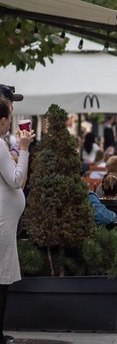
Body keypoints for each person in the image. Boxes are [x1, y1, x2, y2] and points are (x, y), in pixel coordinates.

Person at [0, 99, 32, 344]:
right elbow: (16, 180)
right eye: (9, 118)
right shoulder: (0, 144)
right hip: (3, 220)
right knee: (2, 275)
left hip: (5, 218)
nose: (10, 123)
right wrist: (23, 148)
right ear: (2, 120)